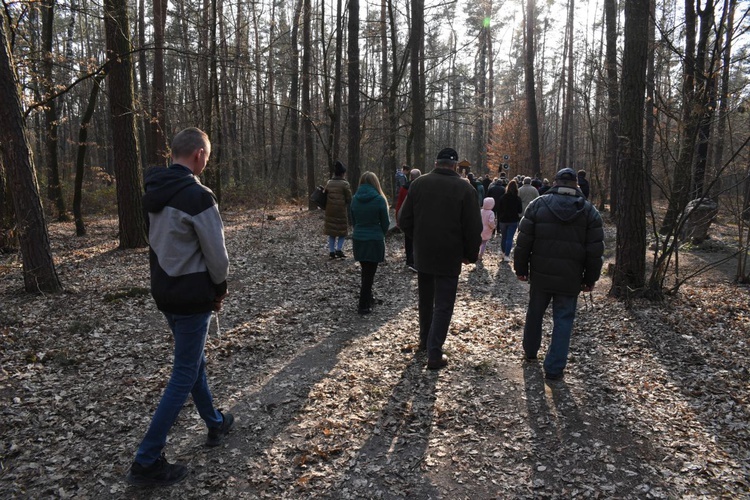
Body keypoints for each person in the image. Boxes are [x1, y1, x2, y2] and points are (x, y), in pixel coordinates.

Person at [127, 127, 234, 487]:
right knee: (184, 373)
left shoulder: (153, 192)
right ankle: (147, 460)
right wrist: (219, 288)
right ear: (199, 156)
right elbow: (217, 257)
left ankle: (215, 423)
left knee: (193, 364)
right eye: (207, 156)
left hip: (166, 292)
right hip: (191, 296)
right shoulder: (197, 196)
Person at [514, 167, 604, 381]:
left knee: (535, 313)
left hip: (541, 274)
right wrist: (590, 278)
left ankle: (530, 351)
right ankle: (554, 369)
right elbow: (595, 251)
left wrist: (521, 269)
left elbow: (523, 241)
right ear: (576, 185)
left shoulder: (538, 206)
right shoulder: (589, 212)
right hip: (571, 277)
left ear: (555, 183)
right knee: (563, 320)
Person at [398, 147, 482, 370]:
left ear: (436, 163)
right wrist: (469, 255)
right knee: (443, 304)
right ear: (455, 166)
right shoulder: (465, 188)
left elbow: (403, 219)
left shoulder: (418, 184)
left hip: (424, 254)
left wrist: (419, 239)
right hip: (450, 255)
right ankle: (434, 353)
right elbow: (474, 227)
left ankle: (425, 341)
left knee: (426, 300)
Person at [351, 172, 391, 314]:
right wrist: (381, 232)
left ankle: (368, 297)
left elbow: (353, 220)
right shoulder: (379, 199)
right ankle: (363, 305)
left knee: (365, 271)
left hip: (359, 238)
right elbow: (386, 223)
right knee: (370, 273)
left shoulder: (355, 199)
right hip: (374, 238)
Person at [324, 161, 353, 259]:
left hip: (330, 210)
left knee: (331, 231)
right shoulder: (345, 184)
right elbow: (349, 198)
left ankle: (331, 251)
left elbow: (325, 194)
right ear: (342, 173)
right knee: (342, 231)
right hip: (341, 210)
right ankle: (339, 249)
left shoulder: (329, 183)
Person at [395, 168, 421, 271]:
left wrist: (398, 218)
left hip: (407, 217)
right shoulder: (421, 188)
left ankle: (409, 260)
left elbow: (399, 204)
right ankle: (414, 260)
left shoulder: (404, 188)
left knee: (408, 239)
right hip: (418, 217)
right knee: (417, 239)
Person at [495, 179, 523, 262]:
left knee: (504, 237)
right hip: (513, 220)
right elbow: (520, 210)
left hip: (503, 220)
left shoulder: (502, 197)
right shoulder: (517, 198)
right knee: (510, 238)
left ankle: (503, 252)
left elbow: (498, 209)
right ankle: (507, 255)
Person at [479, 197, 496, 261]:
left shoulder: (481, 211)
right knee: (484, 243)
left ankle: (476, 253)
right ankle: (480, 254)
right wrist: (493, 227)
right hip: (487, 230)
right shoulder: (491, 213)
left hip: (479, 228)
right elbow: (491, 222)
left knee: (478, 242)